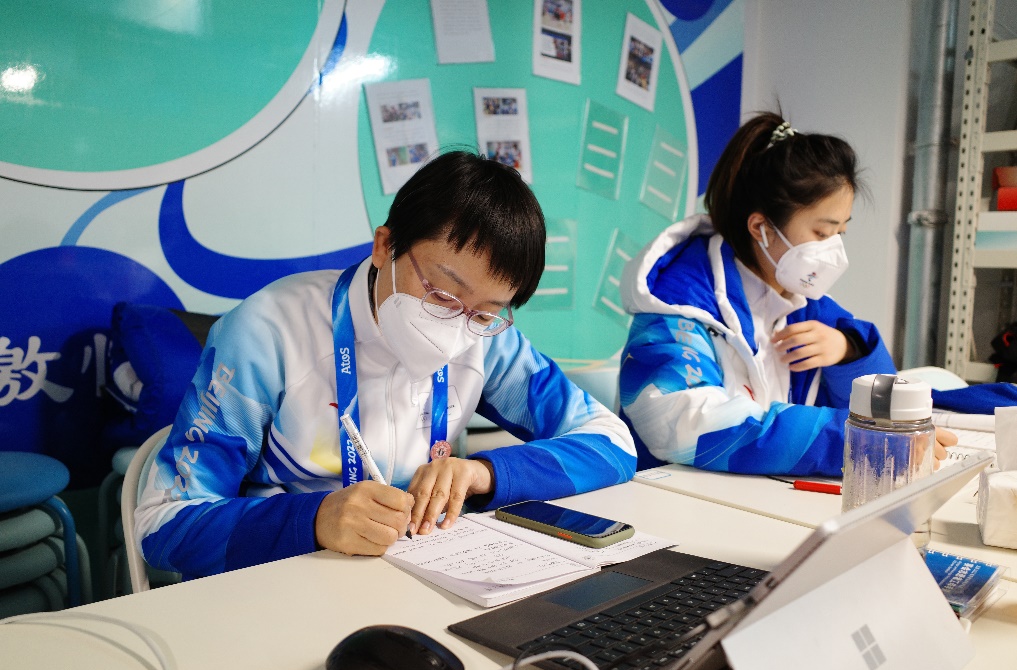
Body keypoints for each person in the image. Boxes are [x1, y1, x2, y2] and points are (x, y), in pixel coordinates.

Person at [135, 151, 636, 579]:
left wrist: (483, 473)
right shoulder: (267, 332)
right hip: (282, 580)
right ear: (384, 246)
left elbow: (612, 442)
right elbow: (163, 524)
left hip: (421, 575)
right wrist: (314, 521)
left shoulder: (488, 342)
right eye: (442, 294)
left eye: (485, 312)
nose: (456, 328)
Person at [618, 112, 955, 476]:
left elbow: (888, 406)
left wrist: (848, 352)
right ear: (761, 227)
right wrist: (857, 444)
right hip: (675, 496)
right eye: (822, 233)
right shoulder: (676, 308)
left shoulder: (807, 305)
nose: (834, 251)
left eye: (841, 232)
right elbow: (689, 424)